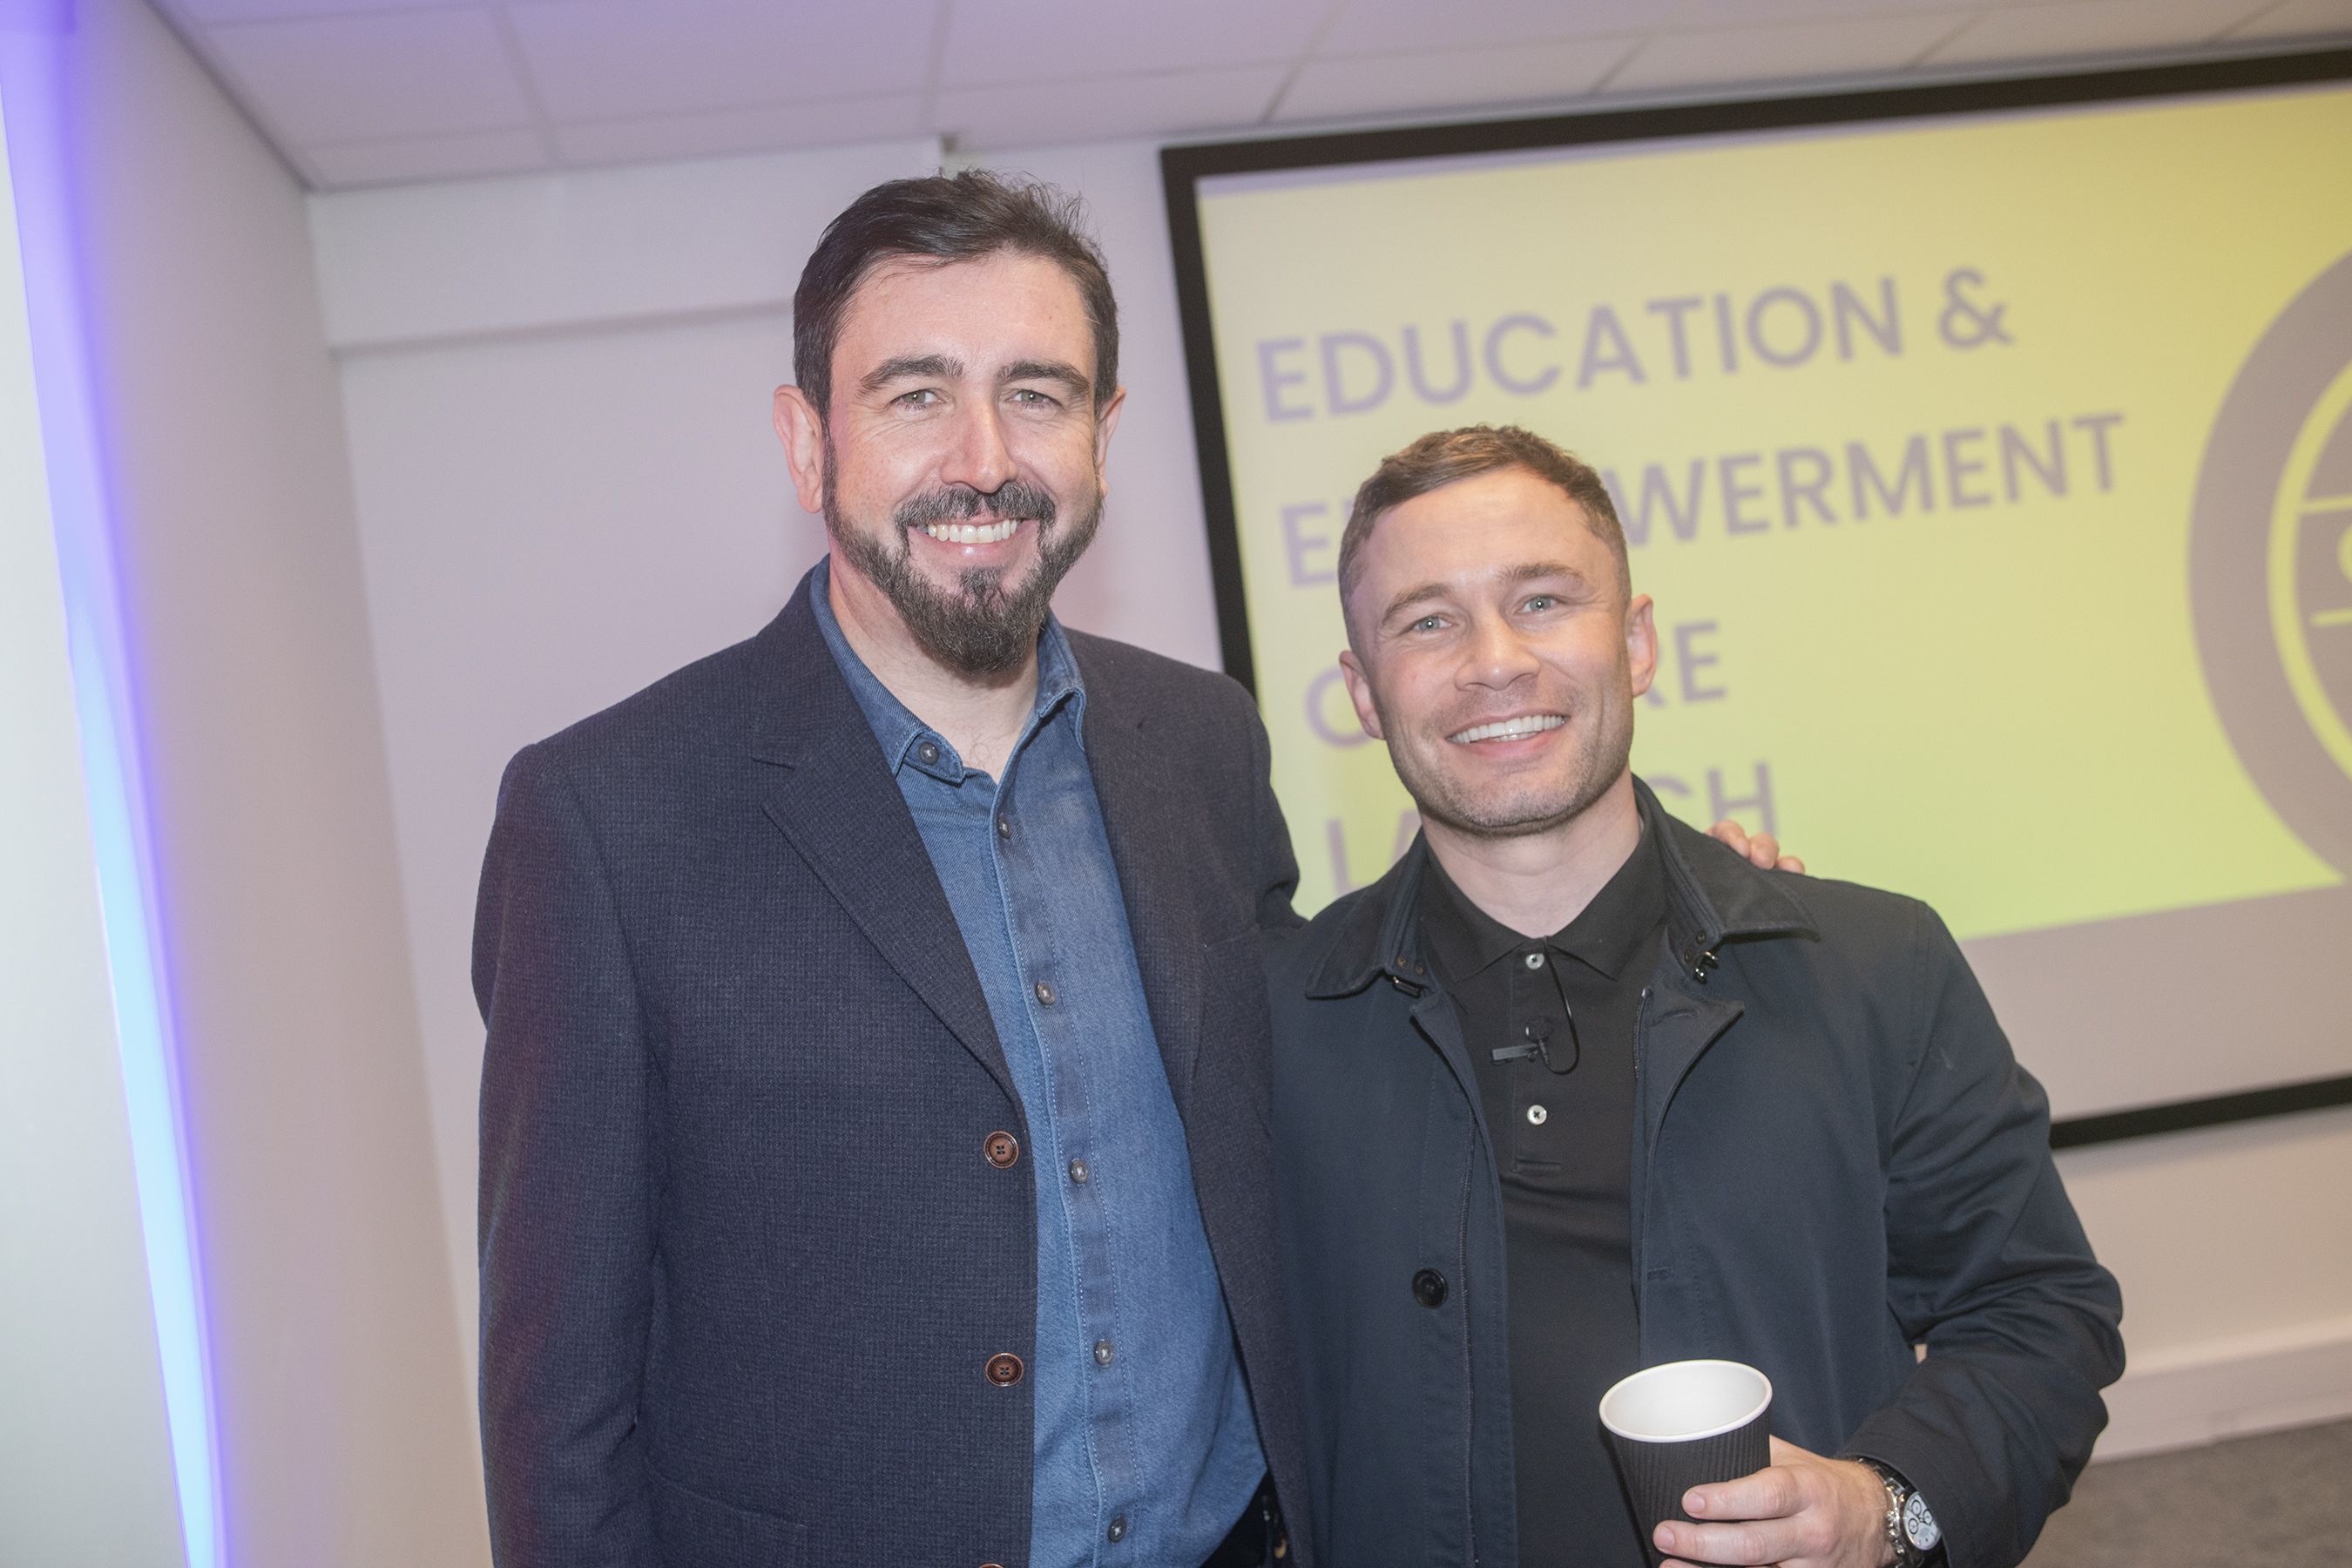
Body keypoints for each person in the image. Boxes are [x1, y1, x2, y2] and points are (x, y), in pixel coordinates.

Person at [473, 172, 1309, 1568]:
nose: (984, 456)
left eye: (1037, 394)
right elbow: (557, 1401)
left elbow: (1311, 1099)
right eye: (917, 395)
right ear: (809, 444)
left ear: (1104, 436)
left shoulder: (1205, 744)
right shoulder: (606, 819)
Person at [1269, 424, 2125, 1568]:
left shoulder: (1874, 966)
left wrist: (1883, 1508)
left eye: (1542, 601)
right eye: (1427, 620)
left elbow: (2039, 1317)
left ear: (1638, 641)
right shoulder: (1272, 1026)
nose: (1494, 661)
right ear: (1363, 694)